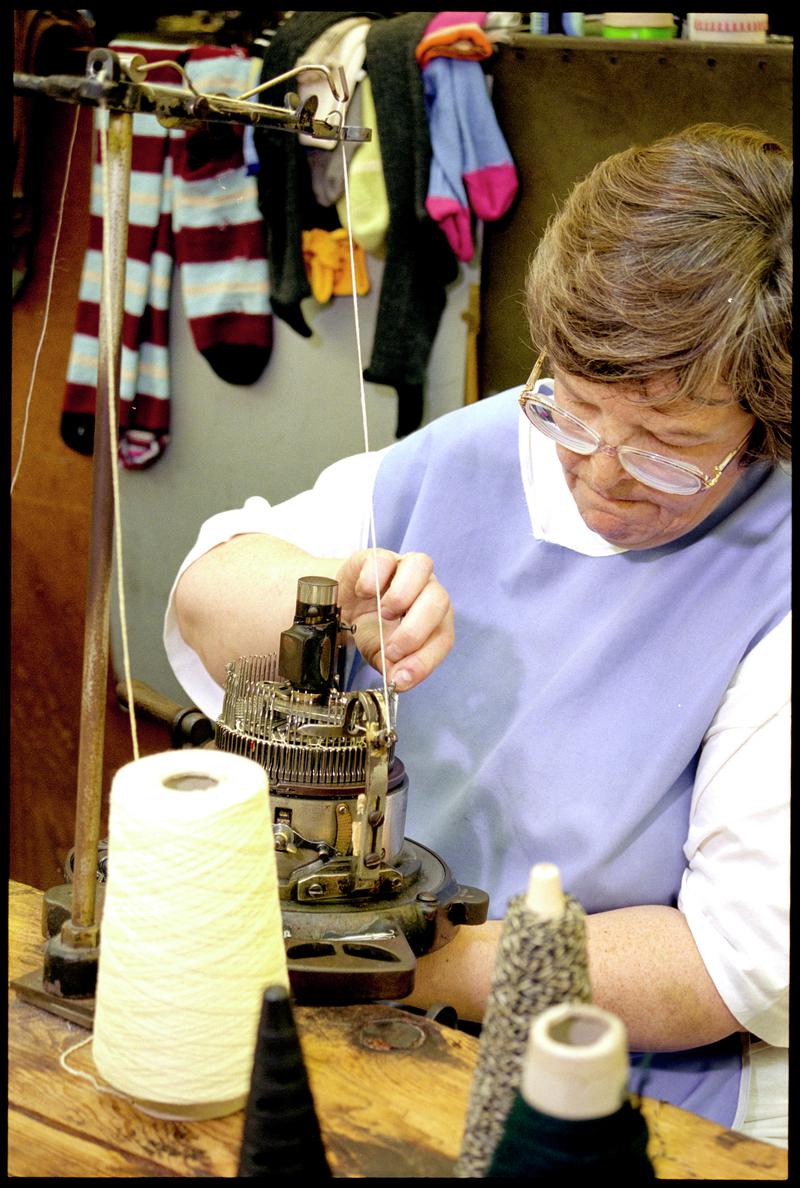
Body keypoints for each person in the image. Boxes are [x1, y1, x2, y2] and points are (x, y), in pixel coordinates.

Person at [165, 124, 791, 1147]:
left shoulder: (774, 577)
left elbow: (730, 961)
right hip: (359, 1020)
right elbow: (204, 592)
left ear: (762, 421)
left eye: (669, 450)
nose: (598, 472)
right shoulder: (477, 449)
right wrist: (328, 599)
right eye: (576, 410)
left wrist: (418, 965)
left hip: (596, 1084)